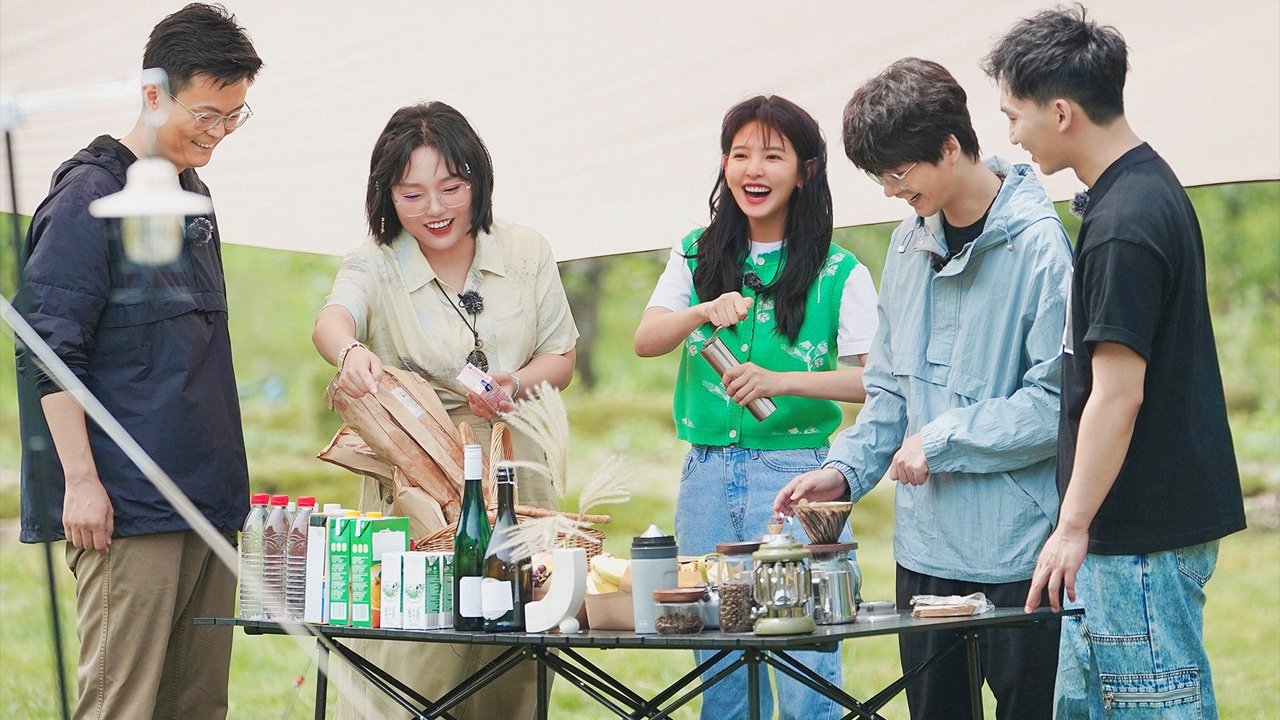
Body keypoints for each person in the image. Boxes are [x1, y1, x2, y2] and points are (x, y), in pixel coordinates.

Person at [772, 59, 1073, 720]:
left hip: (1019, 553)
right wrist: (844, 472)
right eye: (880, 177)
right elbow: (889, 392)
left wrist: (940, 439)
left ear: (950, 146)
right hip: (925, 553)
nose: (889, 190)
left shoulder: (1041, 248)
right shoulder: (907, 245)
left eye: (899, 172)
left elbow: (1054, 406)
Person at [984, 7, 1248, 717]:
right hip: (1121, 537)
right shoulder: (1136, 193)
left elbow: (1117, 394)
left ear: (1060, 112)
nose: (1011, 136)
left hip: (1137, 540)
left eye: (1014, 115)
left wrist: (1071, 527)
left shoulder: (1125, 224)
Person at [14, 4, 262, 719]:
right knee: (120, 706)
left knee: (198, 707)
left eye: (234, 117)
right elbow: (45, 348)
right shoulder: (88, 195)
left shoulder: (193, 194)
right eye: (206, 114)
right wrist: (81, 483)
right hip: (127, 510)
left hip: (206, 501)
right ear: (153, 93)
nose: (218, 134)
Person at [313, 100, 578, 720]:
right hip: (421, 475)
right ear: (387, 195)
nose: (435, 208)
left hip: (515, 469)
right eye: (412, 195)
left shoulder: (526, 250)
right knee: (417, 649)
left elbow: (561, 357)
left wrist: (515, 382)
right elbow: (332, 319)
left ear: (478, 181)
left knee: (511, 651)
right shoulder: (375, 260)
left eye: (451, 188)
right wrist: (350, 352)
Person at [634, 95, 878, 720]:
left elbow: (875, 383)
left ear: (806, 170)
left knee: (805, 664)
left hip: (799, 476)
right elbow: (647, 339)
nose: (754, 170)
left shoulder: (839, 270)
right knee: (716, 661)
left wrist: (783, 381)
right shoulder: (695, 253)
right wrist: (701, 308)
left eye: (773, 156)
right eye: (740, 155)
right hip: (706, 474)